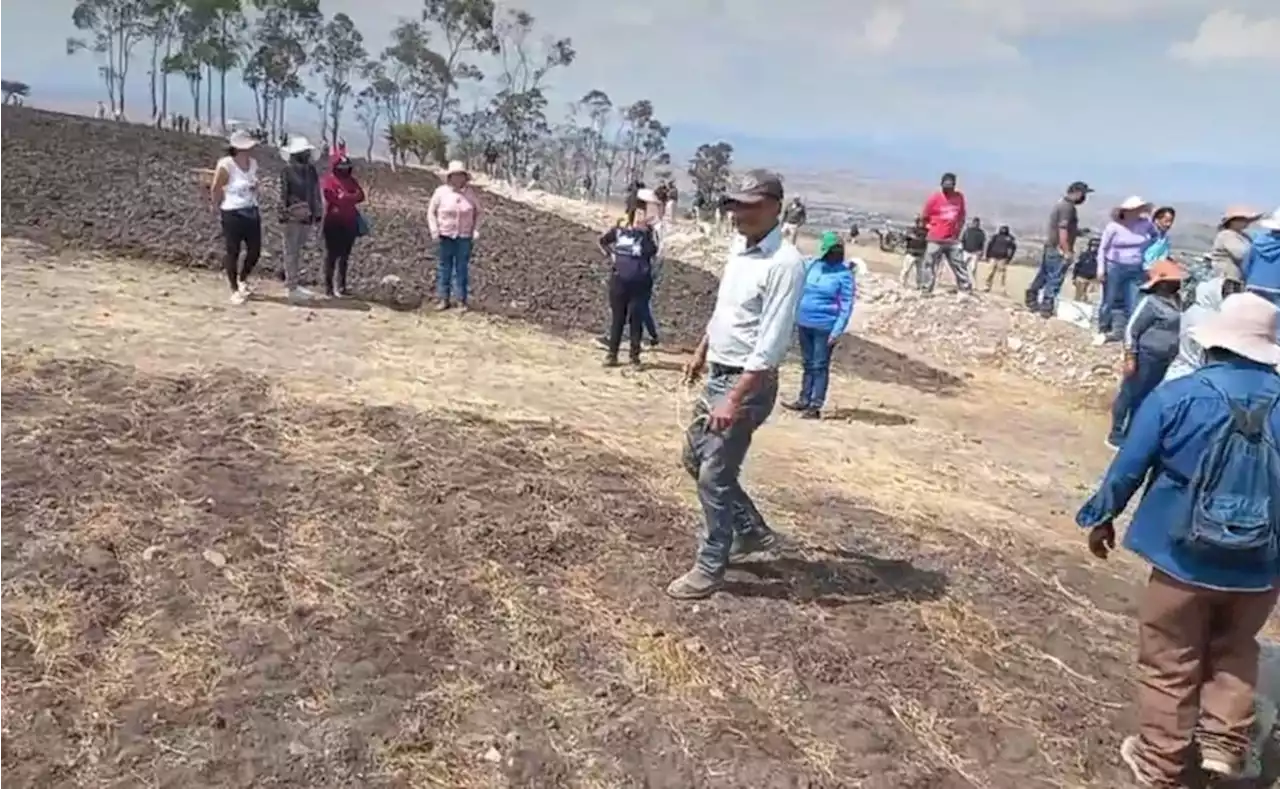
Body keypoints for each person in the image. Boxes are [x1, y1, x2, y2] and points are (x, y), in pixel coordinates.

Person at [1077, 292, 1280, 788]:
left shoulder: (1177, 395)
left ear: (1216, 344)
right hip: (1262, 565)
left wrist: (1101, 516)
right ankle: (1222, 746)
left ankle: (1161, 764)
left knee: (1171, 659)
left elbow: (1128, 466)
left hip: (1181, 556)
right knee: (1236, 647)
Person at [670, 170, 805, 600]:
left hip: (747, 383)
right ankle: (749, 531)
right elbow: (726, 308)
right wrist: (702, 348)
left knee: (714, 474)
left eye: (749, 205)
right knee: (694, 458)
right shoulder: (739, 249)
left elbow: (771, 341)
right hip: (718, 372)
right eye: (734, 205)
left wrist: (735, 396)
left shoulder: (785, 264)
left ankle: (710, 566)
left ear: (775, 207)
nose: (738, 214)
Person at [1107, 260, 1185, 449]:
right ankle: (1116, 433)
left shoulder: (1177, 302)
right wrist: (1130, 357)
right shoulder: (1150, 302)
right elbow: (1131, 330)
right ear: (1162, 283)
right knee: (1131, 394)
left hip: (1163, 358)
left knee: (1146, 397)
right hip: (1145, 356)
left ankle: (1133, 433)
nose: (1178, 284)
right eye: (1174, 281)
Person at [783, 231, 855, 420]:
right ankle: (803, 399)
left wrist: (837, 330)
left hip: (826, 327)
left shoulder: (844, 274)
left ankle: (815, 405)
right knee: (807, 363)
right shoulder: (813, 265)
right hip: (804, 321)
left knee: (820, 365)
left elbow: (846, 306)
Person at [596, 189, 662, 350]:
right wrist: (611, 255)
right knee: (618, 319)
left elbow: (653, 251)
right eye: (638, 212)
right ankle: (612, 353)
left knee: (636, 319)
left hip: (640, 282)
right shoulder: (619, 230)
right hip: (619, 281)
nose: (640, 216)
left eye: (643, 212)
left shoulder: (648, 234)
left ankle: (635, 354)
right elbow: (603, 241)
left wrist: (645, 233)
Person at [210, 130, 263, 305]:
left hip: (251, 210)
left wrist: (255, 187)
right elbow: (216, 187)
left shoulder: (253, 163)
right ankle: (234, 288)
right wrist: (216, 207)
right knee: (232, 251)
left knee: (255, 250)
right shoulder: (226, 165)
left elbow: (253, 182)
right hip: (232, 212)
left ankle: (243, 278)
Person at [1026, 181, 1092, 316]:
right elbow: (1062, 230)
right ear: (1078, 193)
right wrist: (1066, 250)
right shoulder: (1067, 208)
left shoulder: (1061, 204)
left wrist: (1077, 232)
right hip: (1058, 248)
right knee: (1055, 277)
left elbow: (1065, 228)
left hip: (1051, 246)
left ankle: (1032, 298)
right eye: (1083, 194)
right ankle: (1046, 307)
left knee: (1044, 275)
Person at [1096, 196, 1156, 342]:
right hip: (1115, 266)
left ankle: (1128, 332)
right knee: (1109, 299)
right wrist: (1101, 268)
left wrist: (1147, 253)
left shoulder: (1146, 224)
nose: (1138, 212)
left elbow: (1155, 237)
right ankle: (1103, 327)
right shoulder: (1114, 227)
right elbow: (1103, 248)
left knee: (1132, 301)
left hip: (1136, 267)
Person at [1164, 276, 1244, 382]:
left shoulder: (1192, 311)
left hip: (1180, 370)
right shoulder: (1209, 318)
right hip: (1195, 374)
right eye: (1224, 292)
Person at [427, 160, 482, 312]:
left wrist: (476, 230)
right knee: (444, 267)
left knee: (461, 268)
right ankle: (443, 299)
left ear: (465, 178)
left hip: (464, 237)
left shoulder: (470, 194)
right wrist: (434, 230)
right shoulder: (441, 192)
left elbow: (479, 213)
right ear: (449, 177)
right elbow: (431, 212)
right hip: (445, 235)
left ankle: (461, 301)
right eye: (455, 176)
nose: (458, 179)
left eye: (461, 176)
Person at [278, 135, 323, 302]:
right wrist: (285, 212)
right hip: (292, 217)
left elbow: (316, 193)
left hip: (307, 217)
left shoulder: (311, 171)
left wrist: (317, 212)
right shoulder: (287, 171)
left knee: (297, 250)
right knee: (291, 251)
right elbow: (283, 194)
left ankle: (293, 283)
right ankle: (291, 286)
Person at [320, 148, 366, 298]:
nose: (344, 170)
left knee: (345, 256)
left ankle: (342, 286)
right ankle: (328, 287)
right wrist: (348, 197)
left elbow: (360, 195)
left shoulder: (351, 181)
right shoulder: (329, 180)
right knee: (331, 255)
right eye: (341, 167)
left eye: (346, 168)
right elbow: (331, 197)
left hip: (349, 223)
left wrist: (346, 197)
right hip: (333, 223)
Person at [918, 172, 973, 294]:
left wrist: (958, 231)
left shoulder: (959, 197)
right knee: (929, 264)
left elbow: (962, 216)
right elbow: (924, 217)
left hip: (952, 239)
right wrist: (930, 228)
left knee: (959, 264)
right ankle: (926, 289)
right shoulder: (935, 198)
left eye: (950, 186)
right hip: (935, 238)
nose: (947, 189)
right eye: (945, 186)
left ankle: (965, 288)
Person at [1211, 206, 1261, 282]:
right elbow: (1241, 254)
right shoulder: (1227, 235)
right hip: (1227, 278)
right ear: (1232, 221)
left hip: (1238, 278)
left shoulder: (1244, 236)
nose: (1246, 222)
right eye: (1243, 220)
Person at [983, 225, 1017, 293]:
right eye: (1002, 229)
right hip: (993, 256)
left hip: (1003, 258)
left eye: (1004, 229)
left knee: (1002, 274)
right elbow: (989, 245)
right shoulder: (995, 237)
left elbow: (1013, 248)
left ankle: (1002, 288)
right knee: (990, 272)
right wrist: (987, 255)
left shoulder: (1010, 238)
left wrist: (1009, 258)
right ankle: (987, 286)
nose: (1003, 230)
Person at [901, 216, 928, 287]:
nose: (922, 223)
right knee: (906, 270)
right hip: (911, 253)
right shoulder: (911, 230)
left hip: (921, 254)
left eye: (923, 222)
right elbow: (904, 238)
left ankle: (919, 285)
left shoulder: (926, 232)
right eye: (921, 222)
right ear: (917, 222)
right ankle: (902, 283)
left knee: (920, 272)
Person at [1072, 237, 1101, 303]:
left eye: (1097, 246)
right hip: (1081, 277)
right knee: (1078, 298)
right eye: (1093, 245)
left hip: (1093, 279)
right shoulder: (1084, 255)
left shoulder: (1100, 258)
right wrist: (1074, 277)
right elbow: (1077, 266)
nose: (1094, 248)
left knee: (1090, 298)